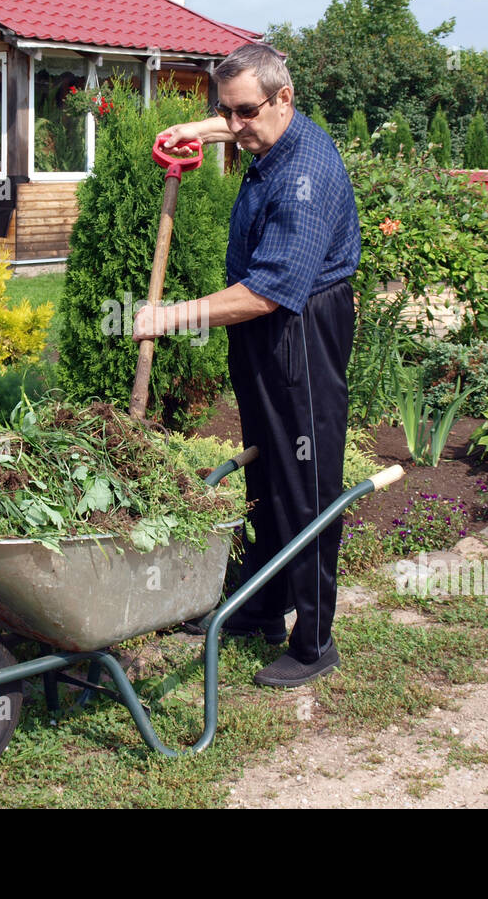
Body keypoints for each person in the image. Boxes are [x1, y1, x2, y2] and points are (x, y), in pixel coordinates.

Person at [132, 43, 360, 688]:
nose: (234, 127)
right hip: (266, 328)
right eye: (224, 113)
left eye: (243, 114)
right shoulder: (270, 131)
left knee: (307, 482)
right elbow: (238, 121)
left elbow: (268, 291)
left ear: (283, 99)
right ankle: (262, 603)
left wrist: (168, 317)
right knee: (266, 464)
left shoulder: (302, 177)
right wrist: (194, 128)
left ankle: (314, 642)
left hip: (299, 328)